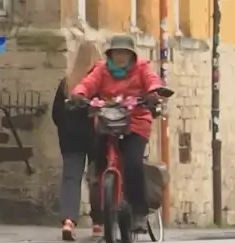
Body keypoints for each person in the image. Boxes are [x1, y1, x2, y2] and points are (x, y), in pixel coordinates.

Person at [69, 34, 164, 230]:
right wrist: (79, 94)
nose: (120, 57)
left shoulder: (141, 68)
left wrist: (153, 92)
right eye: (116, 53)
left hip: (135, 121)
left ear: (131, 56)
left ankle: (139, 211)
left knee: (133, 163)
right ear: (110, 54)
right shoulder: (102, 70)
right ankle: (101, 188)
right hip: (108, 120)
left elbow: (152, 80)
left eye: (124, 53)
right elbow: (88, 83)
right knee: (97, 155)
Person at [53, 40, 104, 241]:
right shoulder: (99, 84)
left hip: (70, 138)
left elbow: (56, 113)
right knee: (96, 177)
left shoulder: (67, 83)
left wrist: (66, 128)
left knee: (71, 178)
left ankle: (68, 220)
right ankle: (98, 222)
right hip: (95, 136)